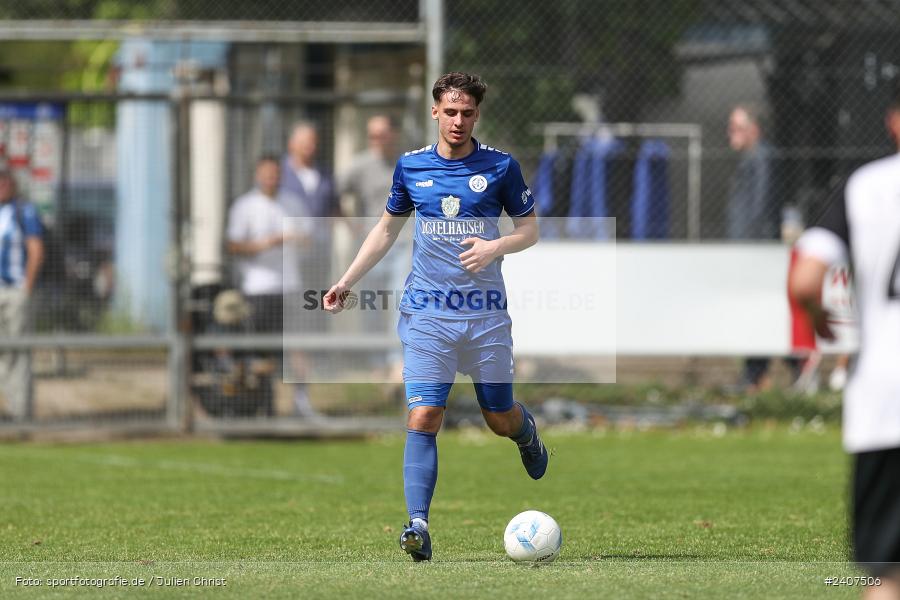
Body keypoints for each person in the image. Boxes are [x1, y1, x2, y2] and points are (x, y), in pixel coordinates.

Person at [323, 72, 548, 562]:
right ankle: (417, 525)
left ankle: (525, 431)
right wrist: (346, 281)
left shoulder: (500, 167)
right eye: (450, 111)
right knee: (424, 414)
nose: (458, 121)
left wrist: (495, 246)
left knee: (497, 416)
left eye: (467, 112)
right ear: (435, 112)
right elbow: (385, 230)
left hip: (484, 314)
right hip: (428, 312)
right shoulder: (411, 168)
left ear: (476, 115)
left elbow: (530, 230)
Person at [789, 88, 900, 600]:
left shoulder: (867, 187)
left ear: (894, 122)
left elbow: (806, 281)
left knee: (887, 578)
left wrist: (825, 324)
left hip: (885, 400)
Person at [226, 155, 316, 417]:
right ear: (257, 175)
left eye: (275, 173)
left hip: (290, 288)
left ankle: (302, 404)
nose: (271, 178)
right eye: (266, 173)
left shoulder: (293, 203)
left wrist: (298, 240)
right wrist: (268, 243)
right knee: (261, 352)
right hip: (258, 290)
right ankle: (265, 407)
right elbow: (233, 245)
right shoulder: (245, 206)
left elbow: (309, 238)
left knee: (298, 347)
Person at [727, 104, 777, 390]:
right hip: (748, 249)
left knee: (757, 311)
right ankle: (755, 371)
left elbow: (760, 206)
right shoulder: (752, 158)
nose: (730, 134)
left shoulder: (761, 157)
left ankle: (757, 371)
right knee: (754, 312)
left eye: (736, 128)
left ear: (753, 129)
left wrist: (750, 250)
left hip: (754, 250)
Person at [0, 169, 44, 421]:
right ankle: (10, 408)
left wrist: (26, 288)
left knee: (18, 352)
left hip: (15, 291)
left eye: (4, 179)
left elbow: (36, 249)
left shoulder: (22, 211)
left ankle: (22, 414)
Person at [280, 121, 339, 300]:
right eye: (305, 142)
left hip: (319, 250)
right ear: (291, 144)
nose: (310, 147)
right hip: (289, 251)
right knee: (293, 301)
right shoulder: (280, 173)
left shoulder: (325, 172)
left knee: (317, 298)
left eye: (313, 142)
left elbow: (334, 207)